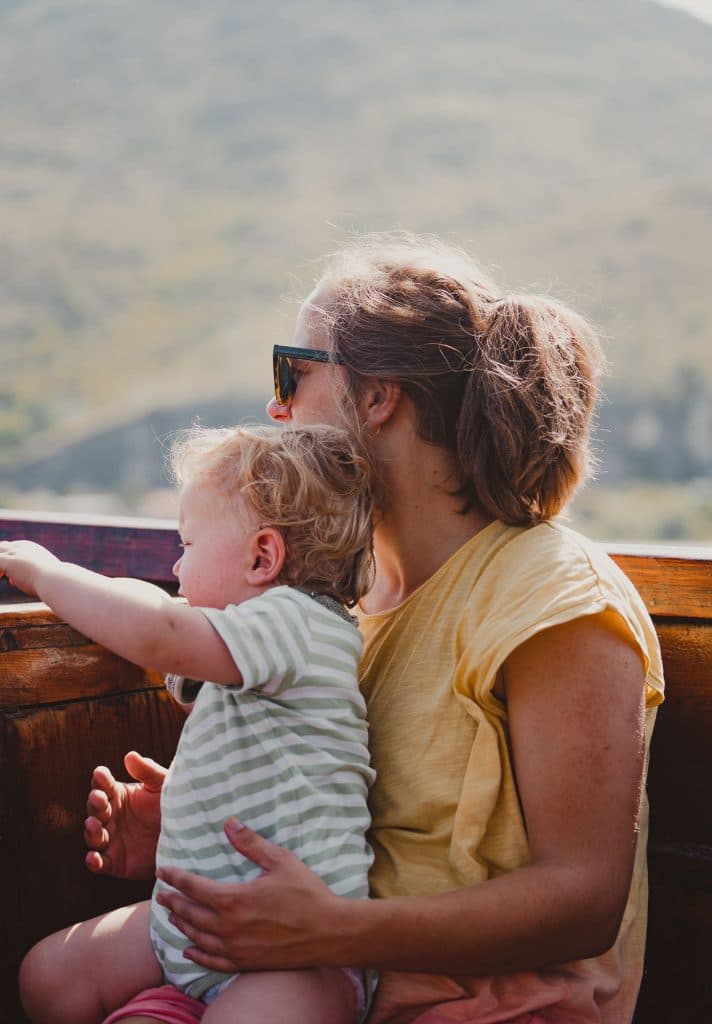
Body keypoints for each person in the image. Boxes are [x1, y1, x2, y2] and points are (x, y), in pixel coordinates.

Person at [27, 232, 663, 1024]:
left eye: (291, 371)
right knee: (51, 979)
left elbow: (583, 901)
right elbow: (362, 833)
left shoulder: (551, 595)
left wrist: (331, 929)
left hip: (480, 1009)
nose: (276, 406)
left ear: (377, 395)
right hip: (308, 976)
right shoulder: (344, 605)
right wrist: (207, 832)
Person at [3, 424, 378, 1024]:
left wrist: (48, 574)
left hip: (298, 957)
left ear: (263, 557)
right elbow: (156, 616)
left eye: (188, 546)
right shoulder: (245, 650)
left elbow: (157, 628)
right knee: (49, 976)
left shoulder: (301, 624)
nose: (175, 569)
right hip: (195, 924)